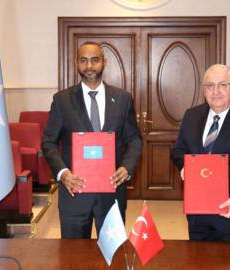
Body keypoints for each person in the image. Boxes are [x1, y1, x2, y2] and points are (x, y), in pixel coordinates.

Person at [42, 42, 142, 239]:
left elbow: (134, 139)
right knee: (73, 259)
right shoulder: (62, 100)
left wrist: (127, 167)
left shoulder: (123, 99)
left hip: (112, 192)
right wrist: (63, 174)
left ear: (104, 62)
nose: (89, 66)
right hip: (75, 192)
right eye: (84, 60)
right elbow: (48, 142)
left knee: (112, 255)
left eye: (95, 60)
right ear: (76, 63)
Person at [171, 64, 230, 242]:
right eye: (210, 85)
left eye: (222, 85)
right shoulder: (192, 115)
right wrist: (184, 165)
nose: (215, 91)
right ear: (204, 90)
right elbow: (178, 150)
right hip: (197, 215)